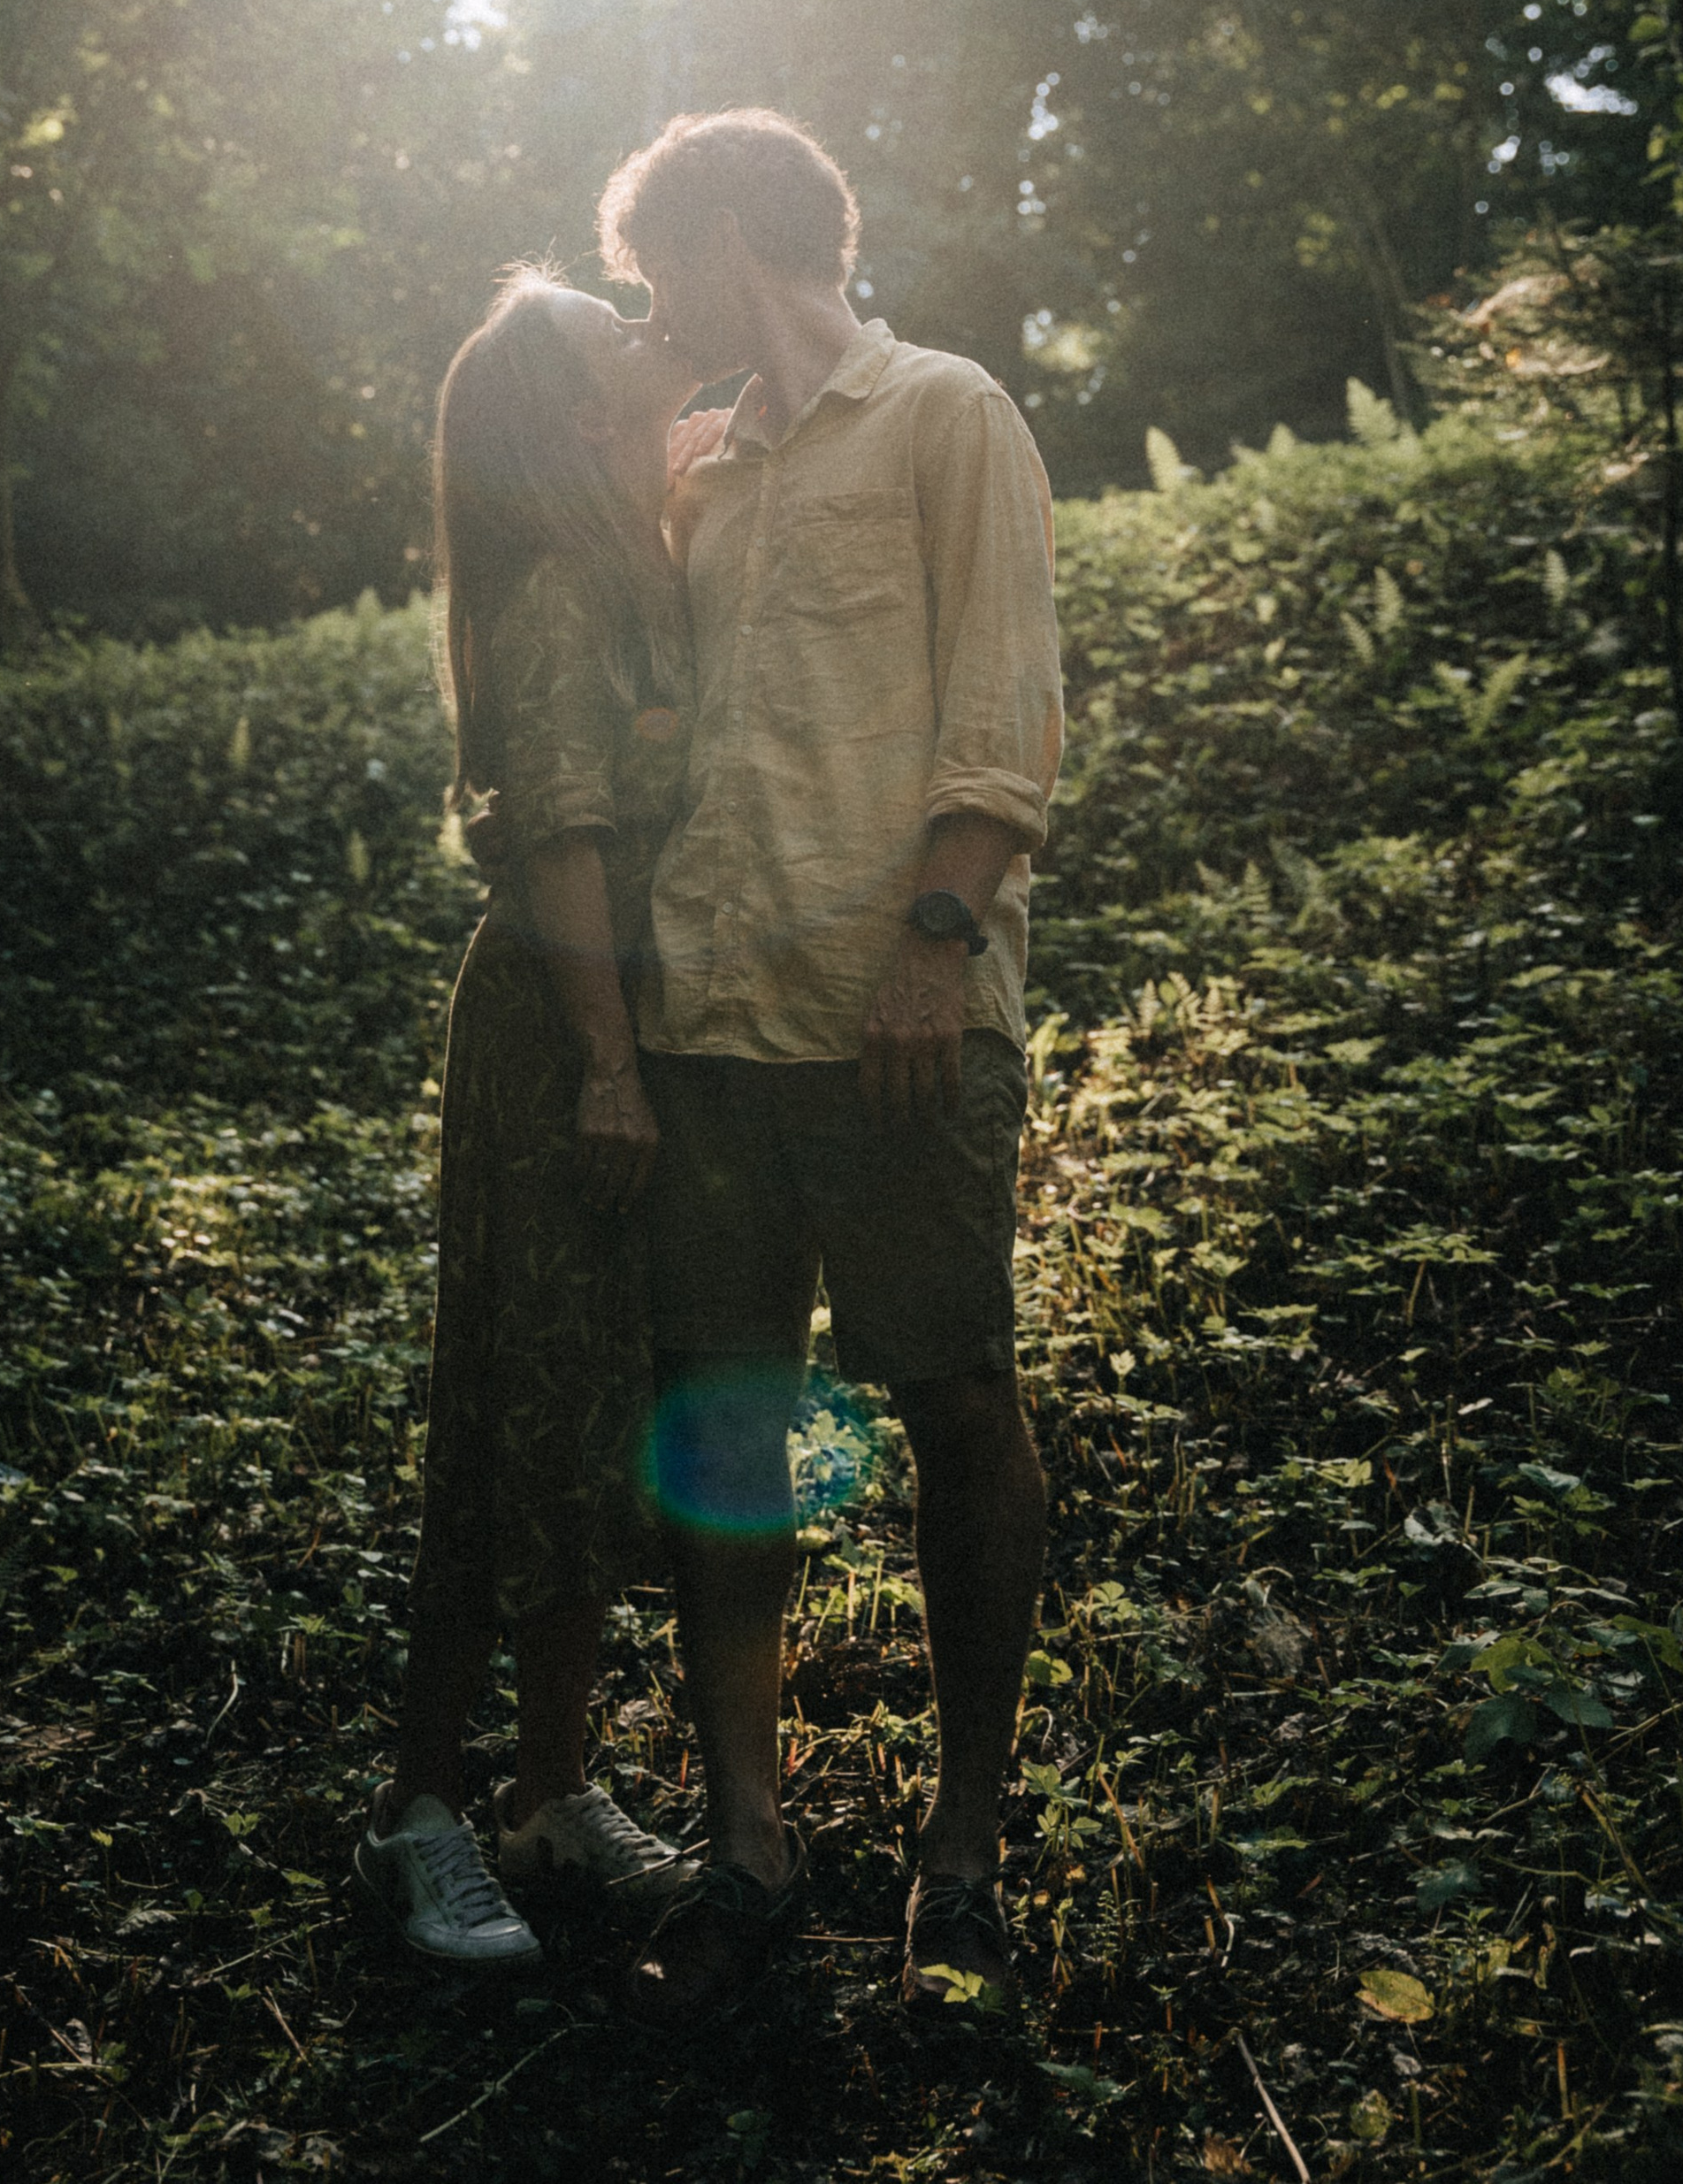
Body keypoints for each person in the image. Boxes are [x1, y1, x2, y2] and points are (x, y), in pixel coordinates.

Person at [600, 111, 1064, 2034]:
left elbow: (1004, 710)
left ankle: (962, 1843)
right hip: (708, 1030)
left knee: (953, 1396)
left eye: (654, 274)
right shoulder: (699, 474)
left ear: (728, 238)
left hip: (895, 1023)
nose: (651, 315)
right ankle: (749, 1844)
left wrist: (933, 943)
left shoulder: (945, 413)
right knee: (721, 1429)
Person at [354, 268, 706, 1968]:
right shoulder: (564, 586)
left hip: (623, 1019)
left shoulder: (636, 547)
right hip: (562, 1030)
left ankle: (552, 1791)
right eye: (611, 329)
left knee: (596, 1405)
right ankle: (421, 1814)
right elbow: (564, 835)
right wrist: (610, 1064)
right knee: (510, 1405)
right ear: (574, 411)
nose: (648, 328)